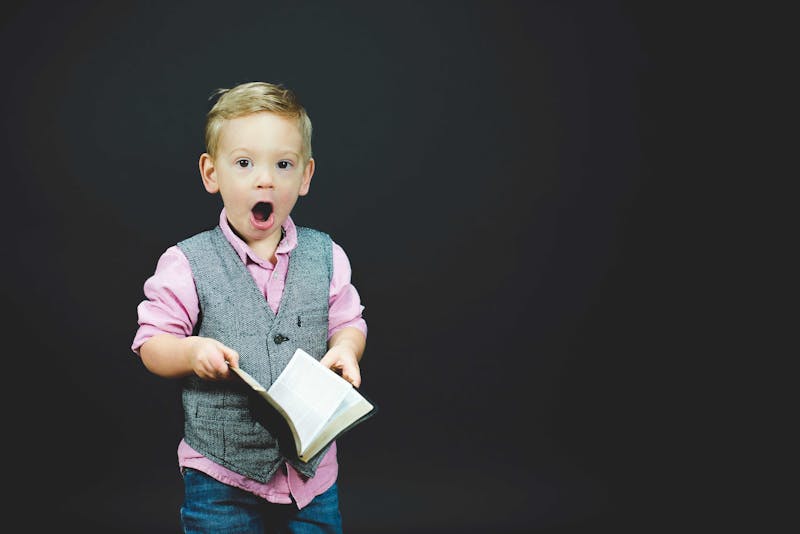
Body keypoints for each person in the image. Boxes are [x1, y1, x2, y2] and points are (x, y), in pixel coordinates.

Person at [131, 81, 367, 533]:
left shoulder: (327, 255)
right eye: (244, 163)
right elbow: (151, 343)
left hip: (311, 476)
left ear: (305, 176)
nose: (266, 179)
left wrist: (347, 348)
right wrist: (191, 352)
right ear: (211, 173)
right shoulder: (187, 262)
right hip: (221, 474)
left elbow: (348, 320)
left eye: (283, 164)